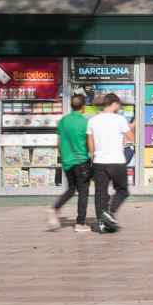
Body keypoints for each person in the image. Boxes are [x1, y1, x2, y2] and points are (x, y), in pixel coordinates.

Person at [86, 93, 131, 233]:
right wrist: (132, 127)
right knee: (123, 190)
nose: (119, 107)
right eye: (118, 105)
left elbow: (90, 140)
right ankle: (109, 212)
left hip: (99, 162)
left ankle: (101, 223)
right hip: (117, 161)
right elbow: (130, 137)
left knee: (100, 193)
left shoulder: (93, 120)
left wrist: (93, 155)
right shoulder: (120, 119)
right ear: (114, 104)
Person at [49, 93, 92, 231]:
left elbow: (59, 143)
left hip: (67, 162)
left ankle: (55, 207)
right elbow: (88, 143)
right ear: (83, 107)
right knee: (83, 192)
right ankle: (80, 223)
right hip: (81, 161)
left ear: (71, 106)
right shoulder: (85, 122)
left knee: (71, 189)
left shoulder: (63, 121)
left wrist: (64, 157)